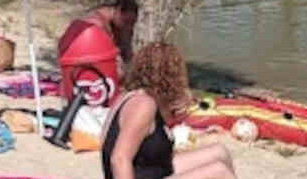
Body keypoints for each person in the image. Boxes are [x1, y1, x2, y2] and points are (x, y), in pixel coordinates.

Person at [101, 43, 236, 179]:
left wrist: (175, 115)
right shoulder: (143, 105)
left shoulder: (131, 96)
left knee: (219, 152)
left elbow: (153, 142)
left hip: (152, 171)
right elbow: (119, 159)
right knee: (219, 172)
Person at [59, 0, 140, 63]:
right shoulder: (94, 23)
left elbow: (128, 56)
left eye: (133, 23)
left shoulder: (120, 27)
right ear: (118, 11)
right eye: (126, 22)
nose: (129, 27)